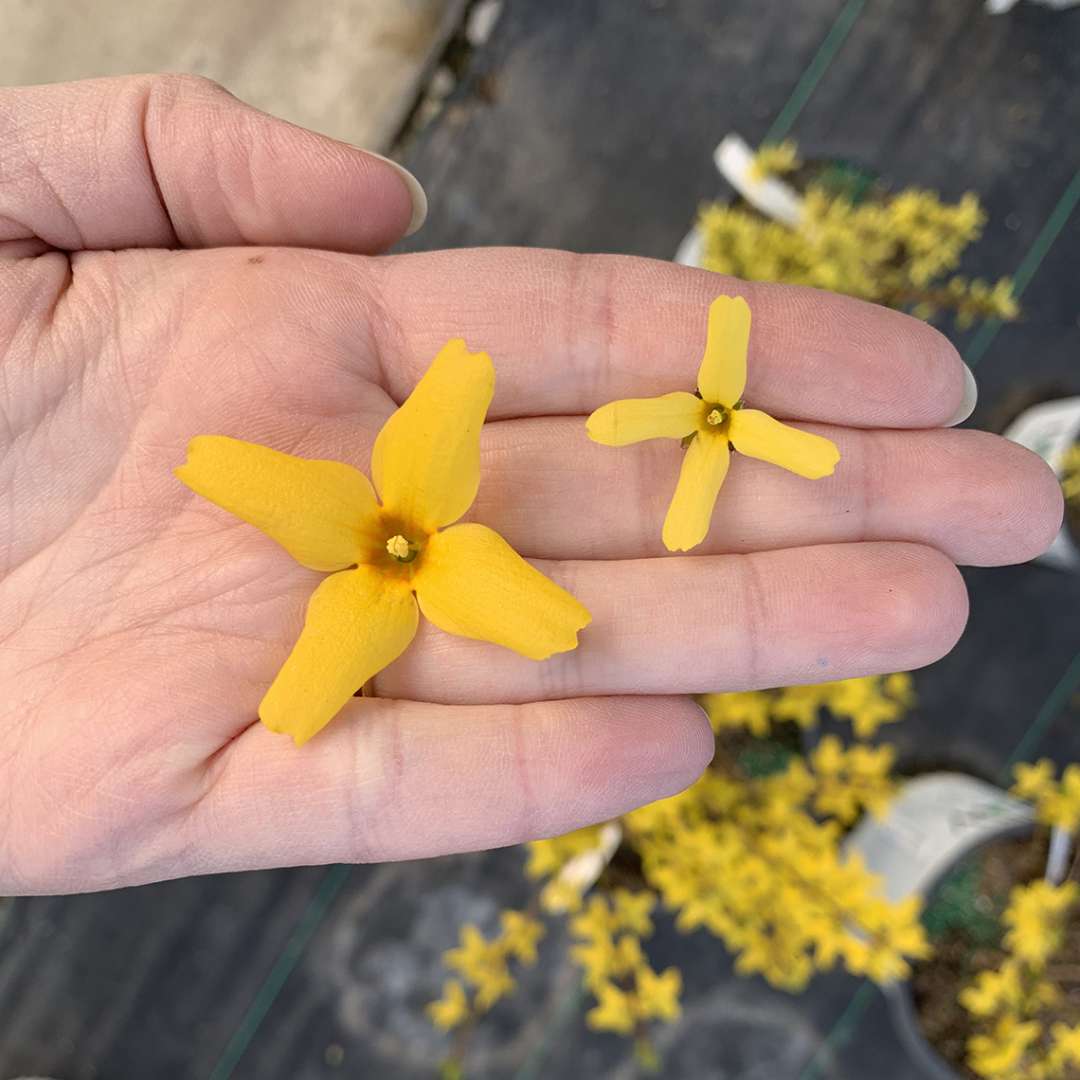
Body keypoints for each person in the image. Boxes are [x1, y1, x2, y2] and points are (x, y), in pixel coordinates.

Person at [0, 75, 1063, 896]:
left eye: (397, 550)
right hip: (399, 551)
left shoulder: (409, 518)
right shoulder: (364, 553)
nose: (398, 555)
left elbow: (447, 460)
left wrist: (452, 520)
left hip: (427, 528)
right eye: (393, 555)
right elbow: (319, 585)